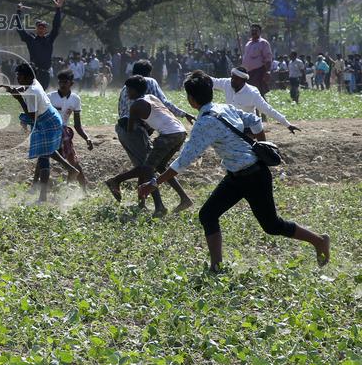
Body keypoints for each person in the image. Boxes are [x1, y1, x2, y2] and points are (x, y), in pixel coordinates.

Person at [139, 71, 330, 272]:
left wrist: (154, 183)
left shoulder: (204, 123)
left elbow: (182, 161)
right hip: (238, 176)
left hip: (253, 177)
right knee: (207, 215)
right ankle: (216, 267)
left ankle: (319, 240)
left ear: (191, 100)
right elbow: (254, 120)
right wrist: (259, 142)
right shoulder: (224, 107)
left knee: (272, 225)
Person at [105, 75, 193, 216]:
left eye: (128, 90)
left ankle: (118, 181)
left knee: (147, 168)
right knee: (159, 167)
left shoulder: (135, 106)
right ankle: (184, 198)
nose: (127, 93)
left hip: (168, 135)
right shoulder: (152, 97)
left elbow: (129, 129)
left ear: (134, 90)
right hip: (180, 132)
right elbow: (161, 114)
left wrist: (137, 124)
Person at [0, 63, 79, 203]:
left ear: (27, 76)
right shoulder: (34, 83)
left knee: (43, 158)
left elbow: (31, 117)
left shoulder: (32, 93)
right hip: (51, 117)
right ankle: (70, 170)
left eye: (19, 76)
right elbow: (25, 88)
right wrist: (16, 90)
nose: (17, 78)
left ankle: (43, 197)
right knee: (46, 151)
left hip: (46, 121)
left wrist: (18, 98)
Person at [211, 67, 299, 134]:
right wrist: (198, 75)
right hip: (231, 125)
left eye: (236, 79)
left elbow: (267, 110)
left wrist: (287, 124)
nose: (232, 81)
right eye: (232, 77)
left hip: (247, 128)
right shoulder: (227, 83)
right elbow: (212, 81)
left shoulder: (252, 93)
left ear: (243, 80)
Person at [47, 70, 93, 189]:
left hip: (64, 134)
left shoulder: (75, 99)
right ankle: (37, 187)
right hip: (50, 131)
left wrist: (87, 138)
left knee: (73, 161)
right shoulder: (50, 97)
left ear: (71, 83)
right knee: (43, 159)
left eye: (65, 82)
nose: (62, 84)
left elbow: (77, 125)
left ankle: (83, 190)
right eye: (60, 82)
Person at [14, 0, 64, 90]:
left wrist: (58, 9)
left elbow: (56, 26)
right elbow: (20, 29)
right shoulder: (30, 39)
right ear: (36, 29)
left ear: (46, 30)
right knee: (32, 96)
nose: (41, 29)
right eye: (39, 27)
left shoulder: (50, 39)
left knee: (41, 95)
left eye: (43, 28)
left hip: (45, 73)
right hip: (33, 73)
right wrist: (18, 12)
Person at [242, 24, 273, 96]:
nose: (254, 32)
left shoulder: (263, 43)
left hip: (258, 72)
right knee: (249, 93)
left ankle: (263, 107)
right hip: (248, 73)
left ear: (260, 32)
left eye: (256, 31)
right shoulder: (248, 44)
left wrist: (268, 71)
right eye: (252, 30)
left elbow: (268, 58)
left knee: (257, 93)